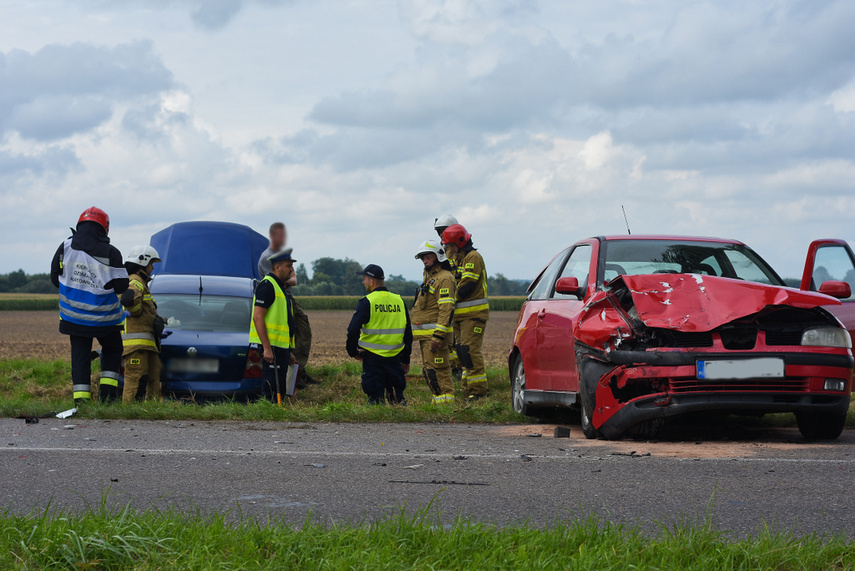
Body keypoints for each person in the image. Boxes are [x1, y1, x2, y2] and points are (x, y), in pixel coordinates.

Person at [50, 207, 129, 404]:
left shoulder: (65, 247)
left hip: (74, 317)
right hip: (105, 319)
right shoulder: (112, 252)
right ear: (105, 228)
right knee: (112, 350)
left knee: (80, 357)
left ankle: (81, 402)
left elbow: (54, 278)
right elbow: (121, 286)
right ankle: (107, 399)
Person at [257, 222, 317, 388]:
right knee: (289, 336)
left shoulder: (283, 256)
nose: (284, 239)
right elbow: (285, 279)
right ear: (272, 236)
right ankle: (293, 378)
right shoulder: (267, 258)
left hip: (288, 297)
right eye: (280, 235)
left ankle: (298, 372)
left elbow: (293, 280)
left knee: (302, 331)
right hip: (279, 299)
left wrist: (288, 275)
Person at [346, 264, 412, 405]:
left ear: (372, 281)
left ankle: (377, 416)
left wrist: (353, 352)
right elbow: (408, 334)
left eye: (364, 279)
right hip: (395, 357)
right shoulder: (399, 301)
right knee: (397, 397)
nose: (363, 282)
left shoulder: (367, 301)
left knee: (375, 399)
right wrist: (406, 359)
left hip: (373, 358)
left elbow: (352, 330)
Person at [441, 224, 490, 401]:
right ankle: (467, 388)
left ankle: (479, 392)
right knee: (462, 353)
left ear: (460, 243)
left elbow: (467, 285)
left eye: (450, 245)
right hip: (461, 316)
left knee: (470, 352)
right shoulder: (459, 259)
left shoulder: (473, 257)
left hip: (473, 315)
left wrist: (449, 298)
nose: (449, 249)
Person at [411, 241, 457, 404]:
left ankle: (446, 404)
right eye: (423, 258)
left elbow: (446, 309)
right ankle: (438, 402)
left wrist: (438, 336)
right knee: (430, 371)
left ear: (438, 256)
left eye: (428, 257)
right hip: (426, 336)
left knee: (439, 371)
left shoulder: (445, 278)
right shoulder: (430, 277)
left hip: (435, 337)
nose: (425, 261)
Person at [250, 249, 297, 403]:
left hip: (280, 347)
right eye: (288, 266)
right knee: (271, 388)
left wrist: (288, 350)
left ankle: (277, 413)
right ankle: (269, 415)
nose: (292, 270)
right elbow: (258, 317)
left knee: (279, 386)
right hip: (271, 347)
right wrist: (267, 348)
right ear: (277, 267)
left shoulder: (280, 287)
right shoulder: (267, 286)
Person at [120, 245, 164, 403]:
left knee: (154, 377)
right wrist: (136, 311)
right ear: (142, 262)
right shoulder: (135, 281)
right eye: (151, 264)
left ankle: (150, 410)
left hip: (147, 344)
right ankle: (130, 412)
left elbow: (146, 311)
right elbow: (128, 299)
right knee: (135, 379)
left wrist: (157, 320)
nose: (152, 268)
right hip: (136, 344)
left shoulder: (142, 283)